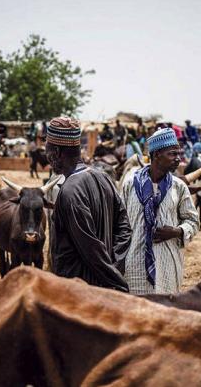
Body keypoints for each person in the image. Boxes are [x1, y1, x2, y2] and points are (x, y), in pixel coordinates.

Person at [47, 116, 132, 291]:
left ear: (56, 152)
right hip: (101, 286)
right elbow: (124, 228)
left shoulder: (69, 192)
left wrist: (116, 282)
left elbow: (90, 248)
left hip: (78, 292)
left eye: (47, 150)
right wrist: (115, 266)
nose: (47, 156)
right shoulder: (104, 178)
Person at [120, 128, 199, 294]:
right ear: (156, 155)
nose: (178, 159)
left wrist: (177, 231)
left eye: (179, 153)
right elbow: (119, 222)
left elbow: (193, 221)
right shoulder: (129, 184)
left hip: (168, 265)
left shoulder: (179, 187)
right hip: (134, 266)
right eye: (172, 154)